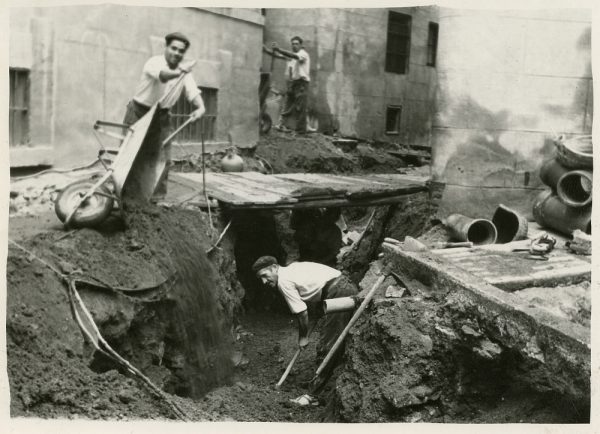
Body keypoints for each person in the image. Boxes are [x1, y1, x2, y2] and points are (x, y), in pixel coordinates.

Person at [123, 32, 205, 199]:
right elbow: (163, 76)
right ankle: (127, 199)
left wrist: (201, 107)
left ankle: (157, 202)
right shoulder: (154, 62)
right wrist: (181, 71)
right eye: (173, 48)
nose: (176, 53)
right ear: (166, 47)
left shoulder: (185, 72)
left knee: (163, 160)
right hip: (139, 112)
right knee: (131, 157)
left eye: (181, 51)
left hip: (162, 117)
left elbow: (192, 92)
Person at [252, 256, 358, 368]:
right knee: (339, 335)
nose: (263, 281)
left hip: (339, 292)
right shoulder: (292, 268)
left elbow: (302, 313)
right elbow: (316, 283)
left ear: (274, 267)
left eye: (264, 275)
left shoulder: (283, 281)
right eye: (260, 278)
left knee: (330, 342)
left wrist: (303, 337)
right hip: (345, 285)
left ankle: (320, 382)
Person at [271, 36, 310, 134]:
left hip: (302, 83)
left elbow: (293, 56)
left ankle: (300, 131)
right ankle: (282, 125)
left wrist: (279, 49)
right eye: (293, 44)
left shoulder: (303, 54)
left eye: (296, 44)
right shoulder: (293, 56)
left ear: (301, 45)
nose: (294, 45)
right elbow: (281, 56)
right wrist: (267, 49)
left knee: (300, 107)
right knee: (288, 103)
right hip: (294, 82)